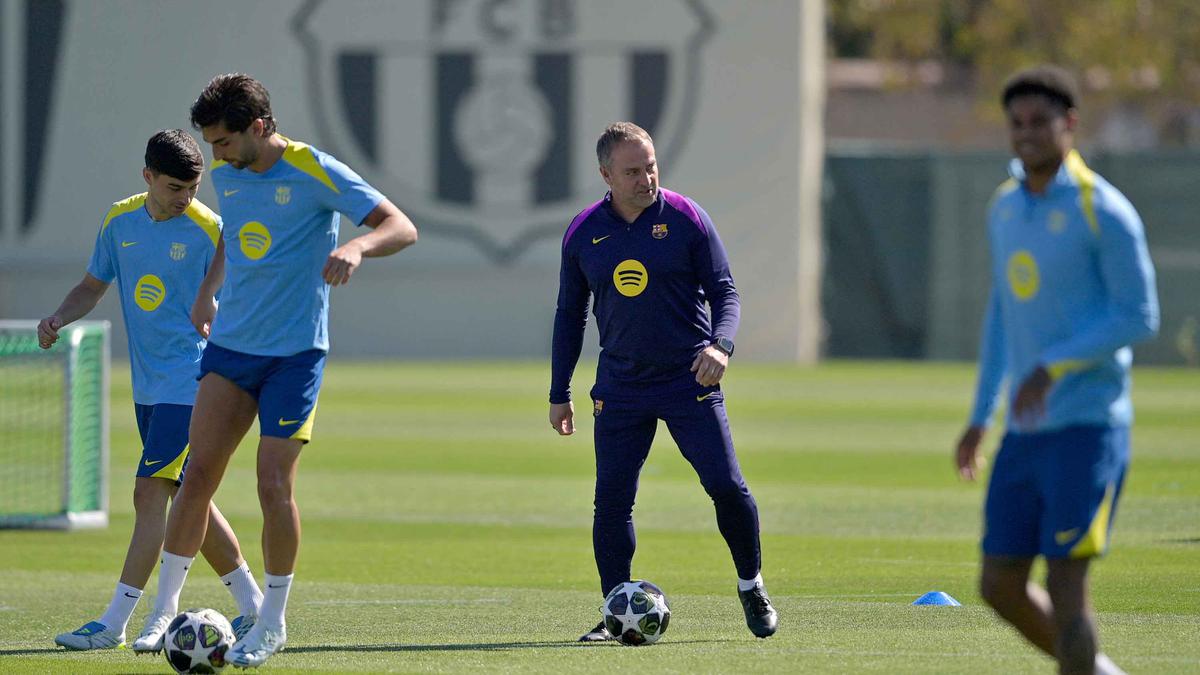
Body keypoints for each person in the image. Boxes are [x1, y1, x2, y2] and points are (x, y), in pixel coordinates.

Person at [128, 74, 417, 667]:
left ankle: (271, 622)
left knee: (271, 484)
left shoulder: (317, 171)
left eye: (225, 142)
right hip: (233, 348)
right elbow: (233, 239)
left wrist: (357, 247)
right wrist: (209, 290)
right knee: (196, 473)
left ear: (259, 127)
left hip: (294, 356)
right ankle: (163, 612)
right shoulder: (230, 176)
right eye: (210, 144)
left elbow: (400, 226)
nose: (217, 157)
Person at [955, 65, 1159, 675]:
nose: (1026, 135)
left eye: (1040, 122)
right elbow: (1002, 315)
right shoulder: (1004, 208)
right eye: (1016, 123)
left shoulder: (1105, 210)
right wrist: (980, 415)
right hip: (1023, 436)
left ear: (1069, 125)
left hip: (1087, 430)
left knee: (1068, 587)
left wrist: (1054, 364)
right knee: (999, 583)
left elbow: (1140, 314)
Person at [549, 122, 778, 642]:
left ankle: (751, 584)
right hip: (621, 387)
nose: (645, 178)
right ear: (606, 174)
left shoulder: (687, 218)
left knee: (726, 485)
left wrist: (721, 346)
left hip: (687, 380)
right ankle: (614, 610)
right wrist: (558, 392)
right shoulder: (584, 232)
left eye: (650, 166)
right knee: (611, 501)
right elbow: (569, 316)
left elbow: (726, 292)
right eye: (631, 171)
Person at [41, 130, 263, 651]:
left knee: (150, 494)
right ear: (147, 178)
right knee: (192, 502)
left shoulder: (213, 230)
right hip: (149, 386)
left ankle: (116, 622)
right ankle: (253, 606)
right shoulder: (119, 222)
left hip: (193, 381)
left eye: (192, 187)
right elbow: (93, 286)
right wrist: (59, 317)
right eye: (173, 187)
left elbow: (242, 296)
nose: (185, 197)